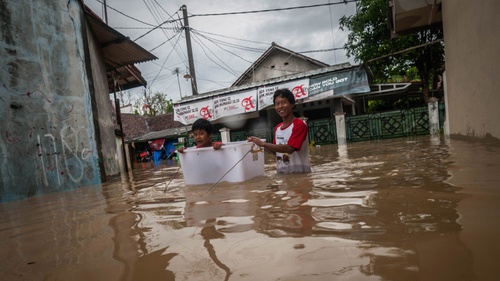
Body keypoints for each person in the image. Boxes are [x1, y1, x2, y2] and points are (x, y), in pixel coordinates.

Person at [247, 88, 311, 174]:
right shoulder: (277, 128)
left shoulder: (299, 125)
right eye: (277, 104)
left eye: (284, 102)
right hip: (282, 175)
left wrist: (263, 144)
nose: (280, 106)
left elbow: (290, 148)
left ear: (292, 104)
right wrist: (259, 144)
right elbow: (276, 151)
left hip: (299, 175)